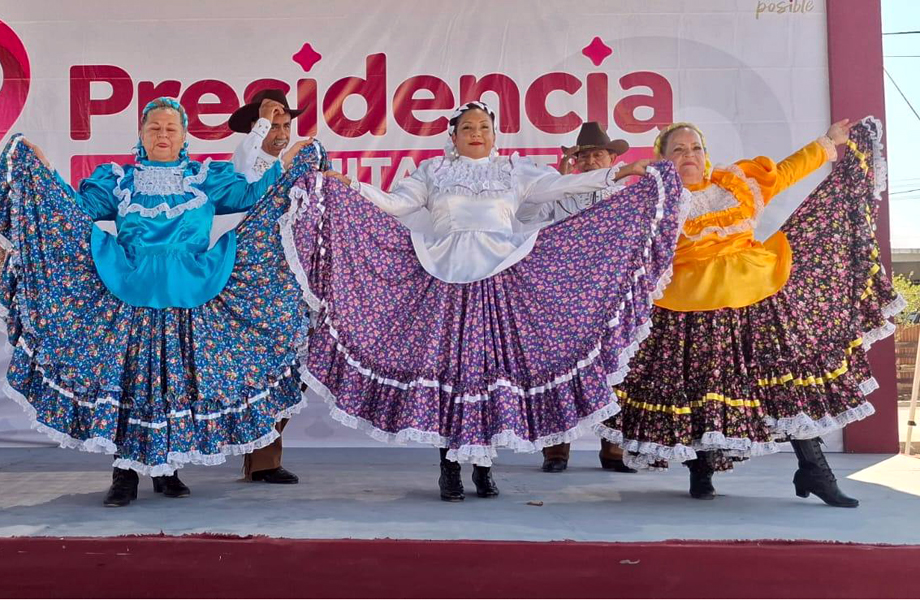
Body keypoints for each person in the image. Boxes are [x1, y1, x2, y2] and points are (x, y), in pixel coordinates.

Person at [277, 101, 688, 501]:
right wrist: (349, 185)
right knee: (452, 377)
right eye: (469, 128)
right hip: (444, 281)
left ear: (495, 135)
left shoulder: (514, 172)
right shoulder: (433, 172)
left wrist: (620, 173)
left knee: (491, 376)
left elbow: (564, 185)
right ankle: (450, 470)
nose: (477, 134)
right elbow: (395, 204)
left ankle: (485, 469)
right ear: (453, 137)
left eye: (484, 128)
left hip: (500, 283)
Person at [0, 98, 311, 506]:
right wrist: (43, 174)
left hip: (191, 297)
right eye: (154, 128)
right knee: (132, 385)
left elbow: (254, 194)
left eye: (171, 129)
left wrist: (286, 164)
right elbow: (76, 210)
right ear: (142, 135)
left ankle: (168, 471)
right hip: (131, 296)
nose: (163, 135)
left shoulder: (205, 178)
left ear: (184, 137)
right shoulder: (118, 179)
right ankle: (124, 476)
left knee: (175, 386)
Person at [595, 117, 903, 507]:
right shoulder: (651, 201)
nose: (689, 155)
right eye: (678, 150)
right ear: (662, 160)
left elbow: (787, 172)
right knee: (701, 389)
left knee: (783, 381)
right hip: (688, 306)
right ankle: (701, 468)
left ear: (705, 154)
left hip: (754, 295)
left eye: (695, 148)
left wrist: (827, 141)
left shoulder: (737, 183)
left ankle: (815, 470)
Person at [538, 121, 638, 474]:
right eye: (586, 155)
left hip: (609, 292)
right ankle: (556, 449)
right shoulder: (560, 192)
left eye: (599, 153)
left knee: (615, 366)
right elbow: (537, 224)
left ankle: (613, 447)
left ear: (612, 158)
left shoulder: (627, 195)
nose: (593, 159)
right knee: (559, 367)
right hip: (564, 293)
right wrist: (560, 181)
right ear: (576, 161)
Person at [228, 89, 310, 485]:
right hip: (246, 285)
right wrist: (260, 124)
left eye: (284, 125)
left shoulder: (299, 169)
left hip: (286, 283)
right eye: (271, 125)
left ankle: (265, 460)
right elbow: (252, 170)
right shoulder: (241, 168)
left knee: (285, 369)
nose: (280, 132)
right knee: (248, 373)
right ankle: (247, 453)